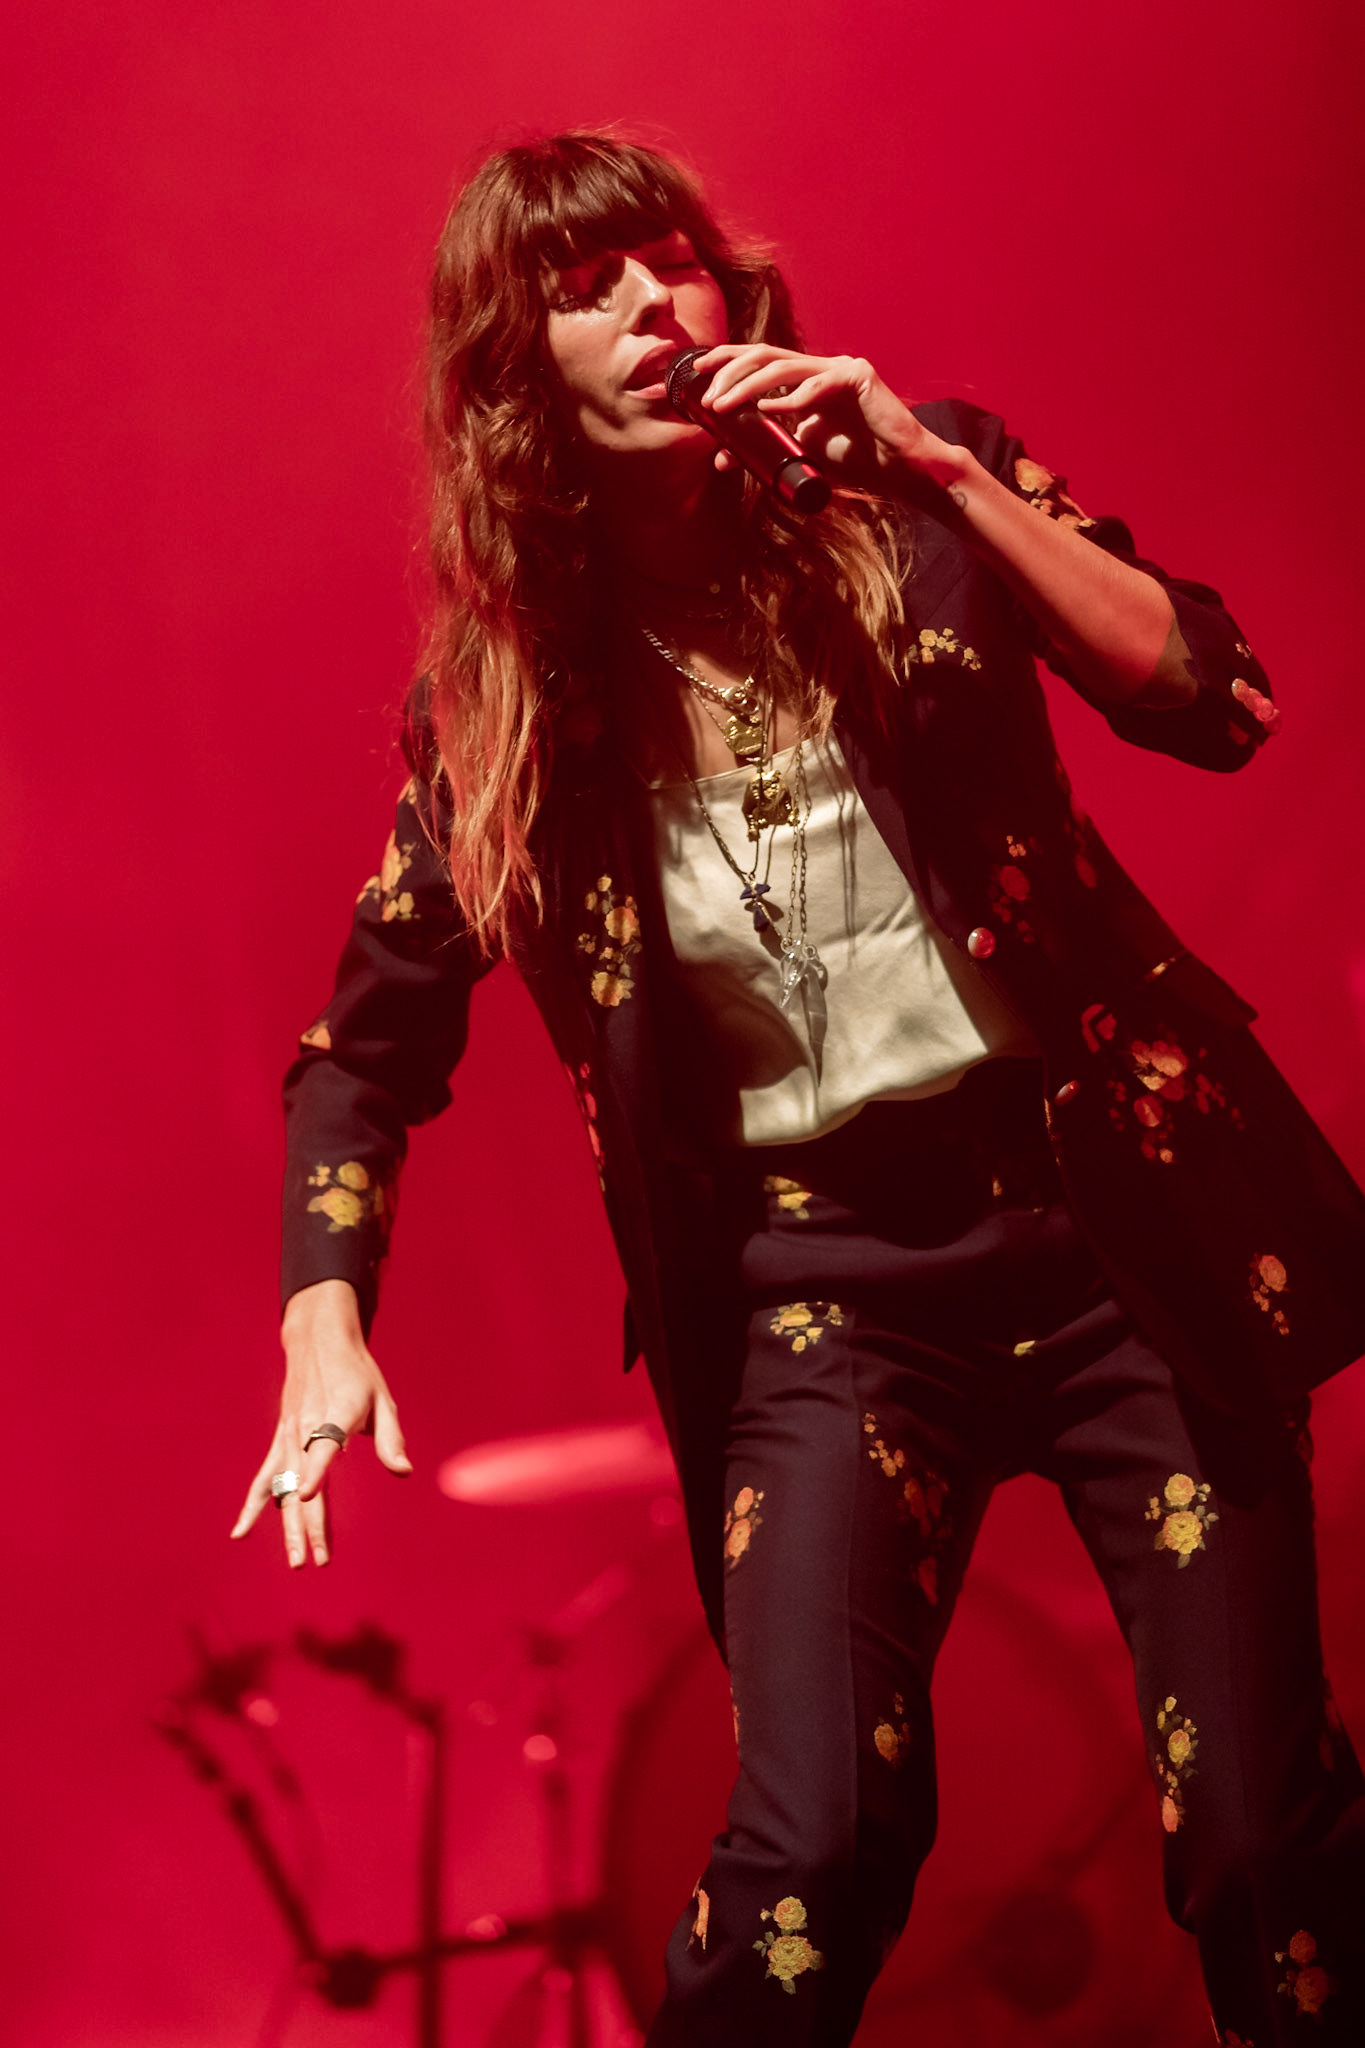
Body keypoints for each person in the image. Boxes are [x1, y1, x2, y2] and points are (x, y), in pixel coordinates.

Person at [232, 132, 1365, 2045]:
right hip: (826, 1296)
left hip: (1108, 1226)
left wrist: (930, 465)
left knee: (1263, 1842)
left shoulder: (919, 498)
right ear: (514, 378)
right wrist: (321, 1320)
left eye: (667, 262)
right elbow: (363, 1049)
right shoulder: (502, 712)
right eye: (580, 290)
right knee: (812, 1857)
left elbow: (1211, 695)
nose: (645, 304)